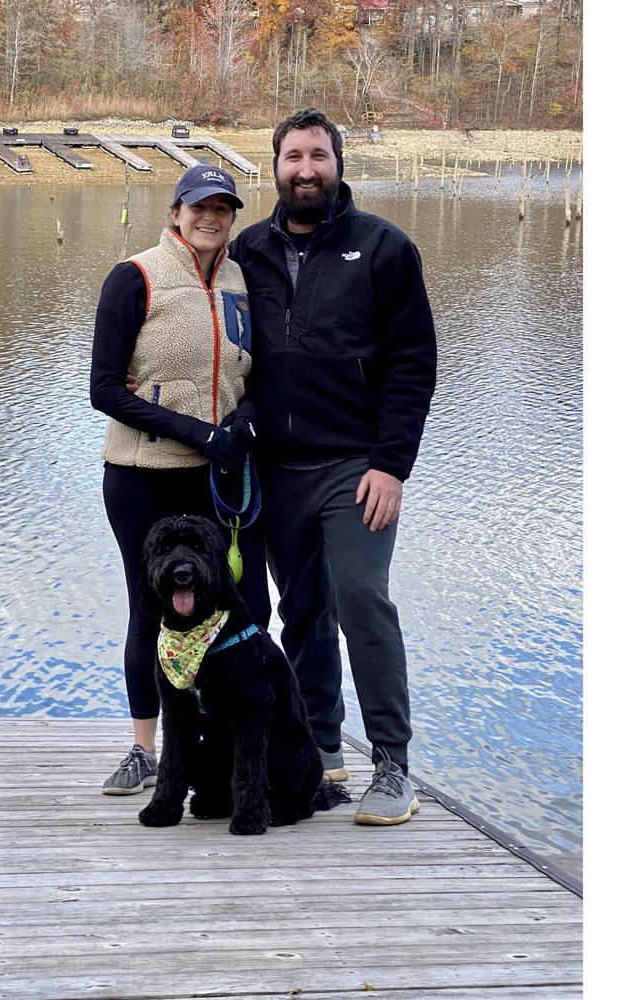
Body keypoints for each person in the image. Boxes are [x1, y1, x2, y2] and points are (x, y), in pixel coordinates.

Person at [229, 108, 437, 826]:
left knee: (361, 601)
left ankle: (393, 767)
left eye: (319, 156)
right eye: (293, 157)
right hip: (278, 472)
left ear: (338, 164)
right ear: (276, 166)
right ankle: (321, 753)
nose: (306, 170)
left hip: (356, 468)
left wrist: (391, 465)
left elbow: (414, 365)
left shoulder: (384, 249)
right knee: (303, 614)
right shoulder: (247, 251)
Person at [90, 164, 270, 795]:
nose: (210, 217)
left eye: (222, 207)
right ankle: (145, 749)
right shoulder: (135, 277)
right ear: (176, 212)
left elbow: (253, 378)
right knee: (152, 609)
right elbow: (105, 389)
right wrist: (197, 432)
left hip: (221, 479)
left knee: (240, 607)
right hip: (144, 475)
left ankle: (227, 743)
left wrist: (240, 426)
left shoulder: (242, 281)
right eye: (198, 206)